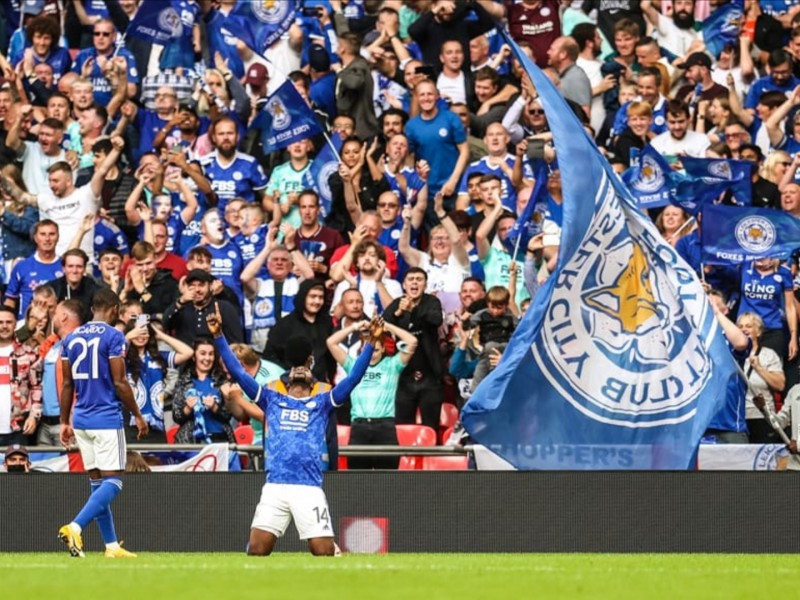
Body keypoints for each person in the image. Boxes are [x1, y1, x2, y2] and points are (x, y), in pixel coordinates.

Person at [206, 305, 381, 556]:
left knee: (323, 552)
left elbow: (353, 378)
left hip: (308, 487)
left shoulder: (323, 402)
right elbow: (236, 370)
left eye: (305, 367)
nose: (300, 370)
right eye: (295, 367)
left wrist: (373, 342)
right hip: (275, 485)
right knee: (256, 550)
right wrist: (218, 336)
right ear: (288, 374)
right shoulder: (271, 398)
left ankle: (331, 551)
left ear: (310, 369)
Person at [58, 288, 148, 559]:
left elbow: (66, 384)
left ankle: (111, 546)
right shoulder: (113, 336)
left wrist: (64, 421)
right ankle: (75, 526)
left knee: (98, 484)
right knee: (114, 482)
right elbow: (120, 382)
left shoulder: (70, 338)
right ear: (113, 309)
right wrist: (138, 414)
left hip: (81, 418)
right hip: (106, 418)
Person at [327, 319, 418, 470]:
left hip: (385, 427)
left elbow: (412, 341)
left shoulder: (392, 365)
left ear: (383, 350)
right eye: (368, 350)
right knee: (357, 481)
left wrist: (385, 326)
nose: (371, 354)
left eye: (376, 350)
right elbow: (331, 342)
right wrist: (355, 326)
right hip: (359, 426)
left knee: (388, 481)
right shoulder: (353, 365)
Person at [123, 319, 193, 443]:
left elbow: (188, 352)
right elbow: (111, 357)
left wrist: (161, 335)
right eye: (137, 332)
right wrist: (127, 337)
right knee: (133, 462)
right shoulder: (122, 358)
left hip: (157, 425)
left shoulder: (158, 357)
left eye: (144, 332)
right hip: (131, 423)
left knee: (158, 461)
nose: (141, 336)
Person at [171, 336, 241, 445]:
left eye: (211, 354)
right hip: (191, 440)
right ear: (194, 357)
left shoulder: (223, 380)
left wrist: (214, 407)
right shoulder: (183, 382)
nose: (207, 358)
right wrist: (188, 408)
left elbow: (228, 415)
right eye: (203, 353)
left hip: (220, 439)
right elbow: (176, 417)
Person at [738, 312, 786, 444]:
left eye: (749, 326)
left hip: (761, 417)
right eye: (740, 326)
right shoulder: (731, 356)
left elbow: (780, 385)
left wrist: (759, 368)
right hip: (738, 418)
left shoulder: (768, 355)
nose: (744, 329)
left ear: (758, 332)